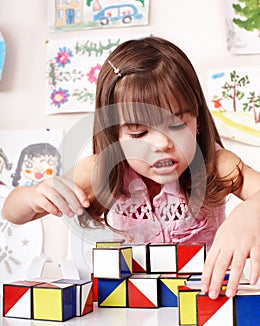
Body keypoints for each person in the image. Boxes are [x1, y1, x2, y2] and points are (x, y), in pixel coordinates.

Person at [2, 36, 260, 300]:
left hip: (202, 303)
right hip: (136, 308)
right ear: (115, 135)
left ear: (198, 122)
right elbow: (12, 212)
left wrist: (250, 211)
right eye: (138, 133)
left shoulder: (217, 165)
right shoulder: (101, 171)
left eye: (177, 125)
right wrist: (34, 197)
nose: (162, 144)